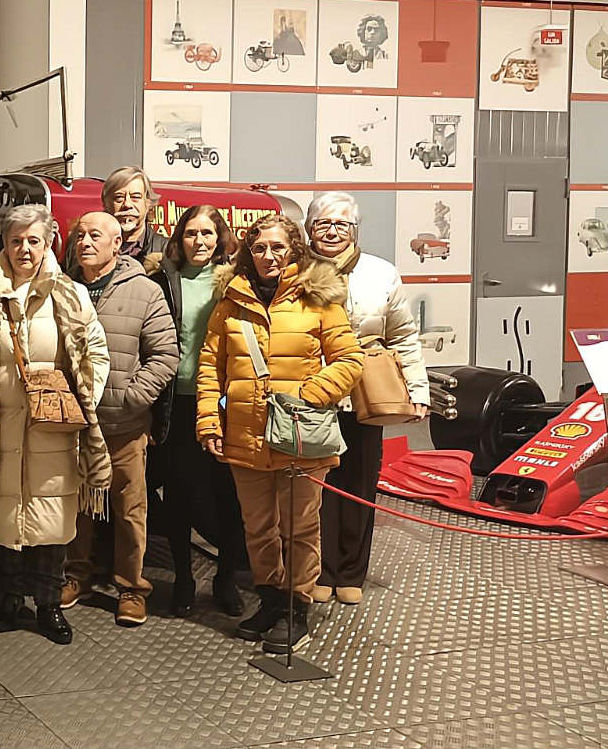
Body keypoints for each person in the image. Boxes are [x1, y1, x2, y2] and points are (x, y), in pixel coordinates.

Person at [197, 214, 363, 656]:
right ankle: (271, 601)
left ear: (294, 251)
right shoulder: (231, 302)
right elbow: (211, 367)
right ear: (247, 253)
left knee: (301, 527)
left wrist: (308, 396)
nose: (268, 256)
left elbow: (350, 360)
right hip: (246, 436)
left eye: (277, 247)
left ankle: (297, 608)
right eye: (259, 248)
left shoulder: (319, 300)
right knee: (258, 528)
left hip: (299, 437)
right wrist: (209, 420)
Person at [0, 204, 110, 646]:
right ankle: (11, 597)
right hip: (0, 428)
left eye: (34, 240)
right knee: (5, 516)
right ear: (4, 244)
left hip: (53, 428)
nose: (25, 249)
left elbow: (96, 352)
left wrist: (79, 398)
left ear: (49, 242)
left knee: (50, 520)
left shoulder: (70, 294)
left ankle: (48, 604)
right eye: (16, 241)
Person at [305, 193, 429, 606]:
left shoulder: (381, 273)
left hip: (366, 392)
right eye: (323, 223)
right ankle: (318, 569)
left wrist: (418, 390)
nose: (332, 231)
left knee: (359, 482)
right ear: (309, 229)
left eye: (342, 224)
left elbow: (403, 336)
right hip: (313, 392)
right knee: (317, 486)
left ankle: (350, 571)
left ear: (355, 230)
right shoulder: (295, 271)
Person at [61, 212, 177, 627]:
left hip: (124, 425)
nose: (85, 242)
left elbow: (165, 355)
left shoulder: (145, 291)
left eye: (95, 235)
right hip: (73, 423)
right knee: (77, 505)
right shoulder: (63, 289)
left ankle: (131, 587)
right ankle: (75, 575)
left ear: (117, 244)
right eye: (80, 235)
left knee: (130, 509)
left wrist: (133, 399)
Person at [152, 205, 247, 618]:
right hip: (178, 400)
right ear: (179, 238)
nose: (199, 241)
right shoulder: (163, 279)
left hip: (225, 400)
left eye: (207, 233)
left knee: (228, 495)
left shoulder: (235, 281)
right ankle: (184, 579)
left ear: (220, 238)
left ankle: (226, 579)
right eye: (191, 233)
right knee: (179, 494)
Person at [102, 166, 167, 274]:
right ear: (105, 203)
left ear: (148, 202)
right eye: (119, 197)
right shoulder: (87, 247)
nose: (127, 204)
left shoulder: (166, 250)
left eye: (135, 197)